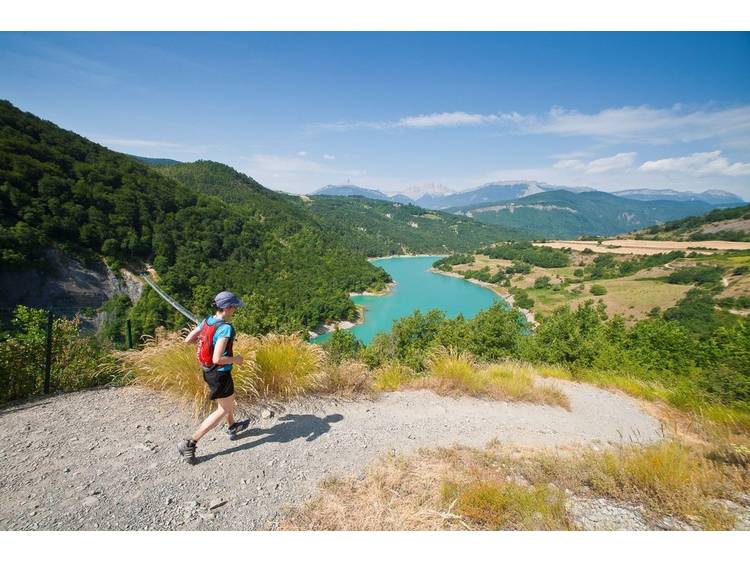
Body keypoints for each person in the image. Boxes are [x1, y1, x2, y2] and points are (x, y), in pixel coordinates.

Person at [177, 291, 249, 464]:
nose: (235, 310)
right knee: (224, 408)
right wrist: (236, 360)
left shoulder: (207, 321)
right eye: (234, 307)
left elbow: (188, 340)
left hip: (207, 371)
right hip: (220, 373)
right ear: (227, 308)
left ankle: (232, 427)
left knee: (226, 402)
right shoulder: (225, 328)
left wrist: (204, 343)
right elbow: (218, 358)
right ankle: (190, 442)